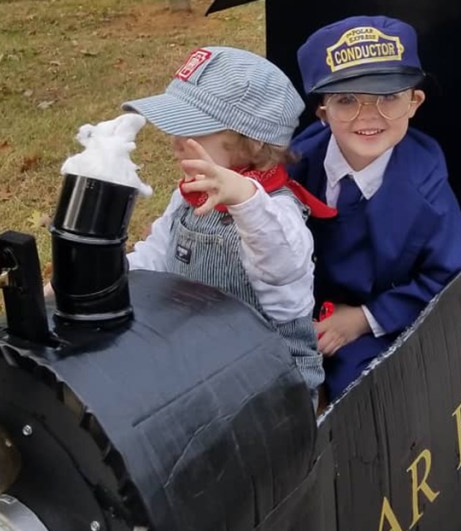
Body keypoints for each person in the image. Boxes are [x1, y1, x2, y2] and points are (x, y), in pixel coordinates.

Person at [122, 46, 336, 410]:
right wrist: (104, 277)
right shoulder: (187, 198)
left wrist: (244, 199)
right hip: (200, 362)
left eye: (190, 128)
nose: (174, 141)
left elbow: (281, 267)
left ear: (251, 142)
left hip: (272, 385)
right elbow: (156, 255)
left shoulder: (278, 212)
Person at [288, 16, 461, 402]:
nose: (368, 117)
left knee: (364, 393)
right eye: (347, 100)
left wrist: (363, 320)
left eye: (388, 98)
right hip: (294, 307)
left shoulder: (428, 191)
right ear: (323, 111)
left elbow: (443, 277)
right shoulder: (297, 164)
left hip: (375, 322)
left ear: (414, 102)